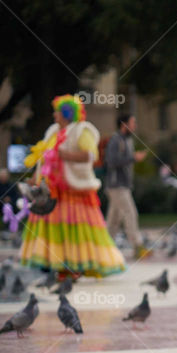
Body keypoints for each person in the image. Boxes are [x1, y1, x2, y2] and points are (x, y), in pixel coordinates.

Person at [20, 94, 125, 278]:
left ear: (68, 114)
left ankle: (75, 266)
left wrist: (64, 155)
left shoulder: (81, 130)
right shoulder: (52, 131)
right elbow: (43, 158)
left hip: (73, 190)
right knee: (53, 229)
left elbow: (90, 155)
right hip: (51, 191)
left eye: (58, 112)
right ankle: (56, 265)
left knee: (75, 228)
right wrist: (36, 178)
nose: (54, 116)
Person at [104, 114, 149, 259]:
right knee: (130, 213)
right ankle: (137, 246)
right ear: (124, 124)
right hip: (117, 186)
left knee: (114, 219)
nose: (135, 126)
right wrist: (133, 158)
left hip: (123, 185)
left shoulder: (127, 140)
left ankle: (104, 247)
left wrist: (132, 158)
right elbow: (111, 161)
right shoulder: (116, 140)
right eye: (133, 122)